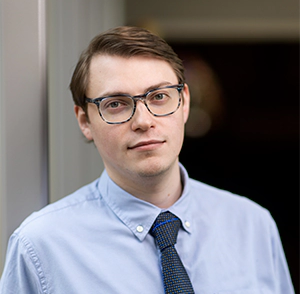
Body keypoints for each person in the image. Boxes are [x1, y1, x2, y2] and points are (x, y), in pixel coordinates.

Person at [0, 26, 294, 294]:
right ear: (84, 121)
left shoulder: (253, 225)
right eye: (115, 104)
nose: (143, 120)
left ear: (184, 103)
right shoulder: (40, 246)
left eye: (159, 97)